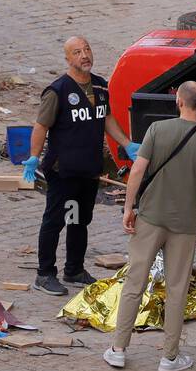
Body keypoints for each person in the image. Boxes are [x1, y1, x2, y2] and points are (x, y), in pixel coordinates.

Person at [105, 81, 196, 371]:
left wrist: (129, 207)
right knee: (177, 288)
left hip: (151, 217)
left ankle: (119, 349)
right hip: (184, 224)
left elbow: (138, 170)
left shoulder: (158, 130)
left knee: (135, 282)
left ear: (179, 101)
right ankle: (170, 357)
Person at [29, 37, 140, 296]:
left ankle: (74, 270)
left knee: (79, 220)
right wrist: (33, 157)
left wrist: (126, 143)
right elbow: (41, 126)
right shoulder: (57, 91)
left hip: (89, 170)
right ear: (68, 59)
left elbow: (107, 118)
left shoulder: (101, 86)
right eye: (77, 52)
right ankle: (44, 274)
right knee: (54, 221)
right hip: (62, 170)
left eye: (87, 49)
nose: (84, 55)